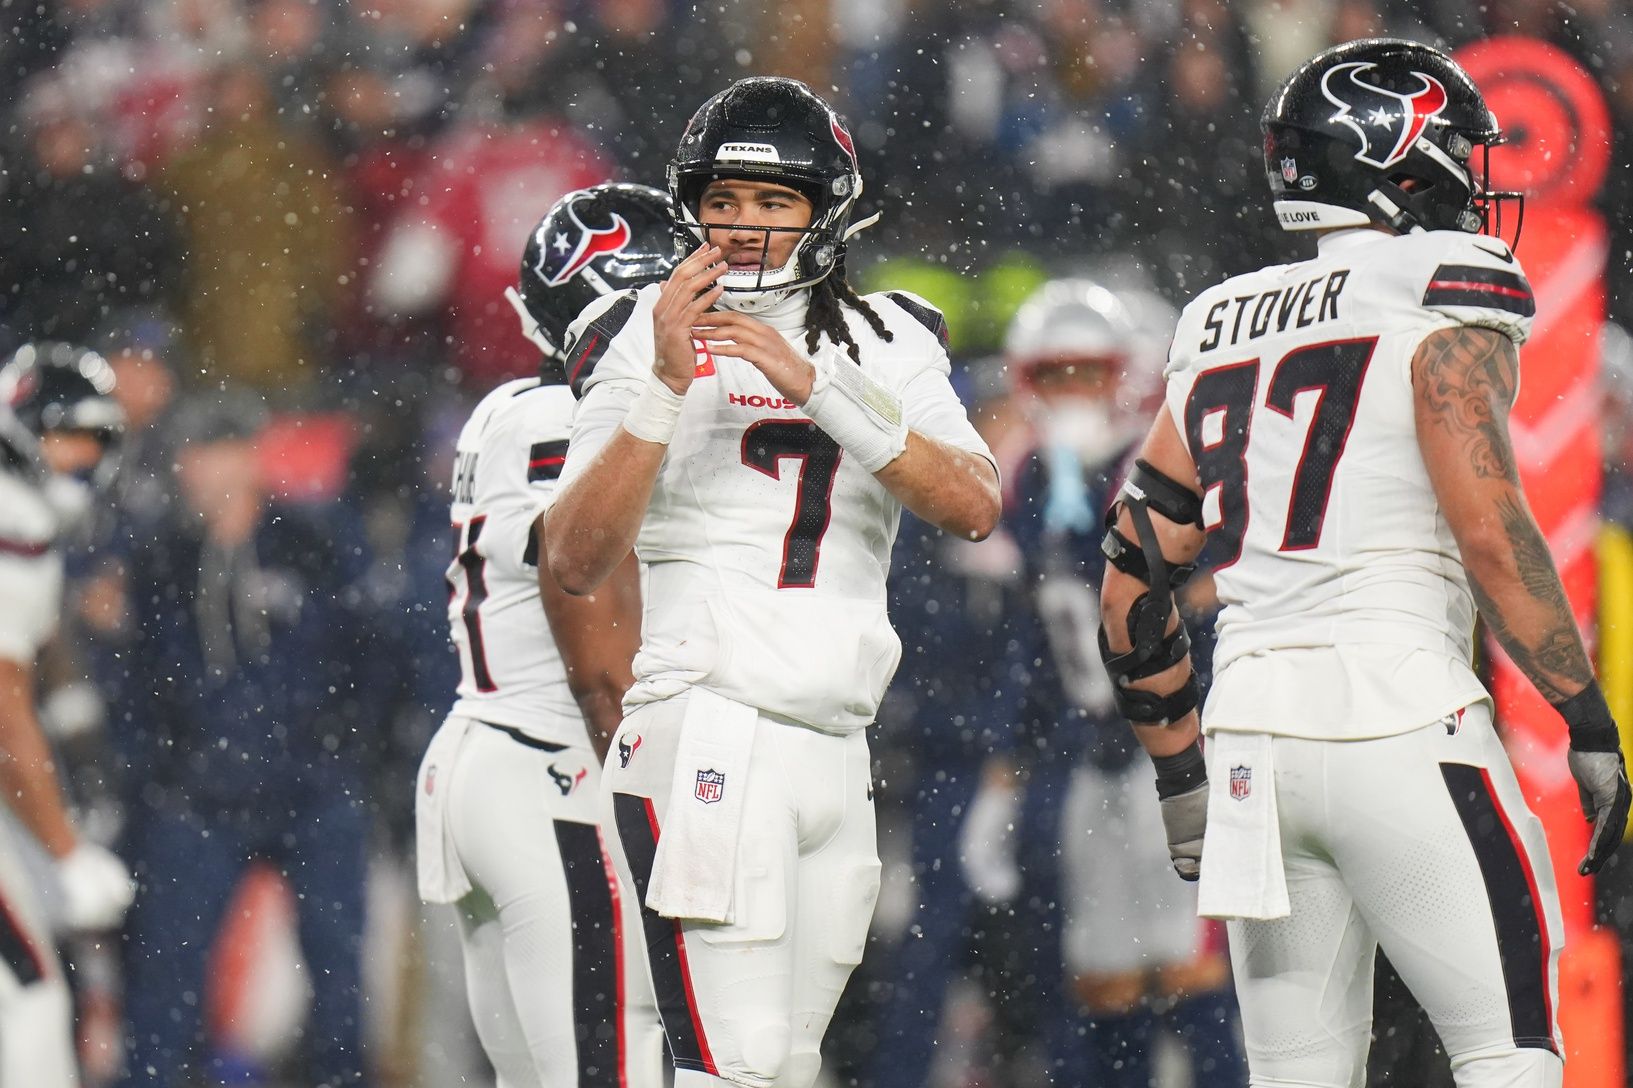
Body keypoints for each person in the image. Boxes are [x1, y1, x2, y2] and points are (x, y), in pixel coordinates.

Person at [1096, 38, 1631, 1088]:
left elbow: (1128, 579)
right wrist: (1586, 714)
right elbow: (1488, 525)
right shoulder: (1441, 278)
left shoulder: (1216, 321)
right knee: (1509, 1054)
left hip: (1251, 737)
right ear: (1400, 156)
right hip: (1400, 714)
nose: (1475, 184)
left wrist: (1179, 773)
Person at [543, 77, 1001, 1088]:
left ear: (824, 209)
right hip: (710, 720)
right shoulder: (642, 330)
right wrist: (664, 385)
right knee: (731, 1068)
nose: (742, 225)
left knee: (787, 1069)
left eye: (772, 201)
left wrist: (819, 385)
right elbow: (572, 557)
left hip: (835, 742)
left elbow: (972, 501)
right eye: (724, 198)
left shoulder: (886, 335)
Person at [414, 182, 675, 1087]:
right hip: (559, 769)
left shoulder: (504, 409)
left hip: (486, 755)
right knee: (616, 1062)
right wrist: (657, 812)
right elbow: (595, 648)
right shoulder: (573, 417)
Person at [985, 278, 1244, 1088]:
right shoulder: (1033, 482)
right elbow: (1035, 636)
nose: (1070, 393)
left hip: (1172, 745)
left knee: (1191, 966)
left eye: (1085, 373)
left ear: (1122, 374)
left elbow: (1211, 598)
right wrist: (1009, 763)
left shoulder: (1162, 467)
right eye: (1054, 375)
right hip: (1087, 747)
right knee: (1101, 973)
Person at [116, 391, 372, 1087]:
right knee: (164, 990)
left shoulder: (312, 541)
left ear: (249, 455)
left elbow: (366, 655)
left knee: (339, 989)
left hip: (311, 791)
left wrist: (344, 755)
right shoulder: (161, 555)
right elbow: (137, 680)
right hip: (195, 797)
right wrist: (154, 777)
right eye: (190, 454)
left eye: (214, 450)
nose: (198, 470)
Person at [0, 342, 134, 1088]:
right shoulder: (12, 516)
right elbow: (1, 708)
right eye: (69, 439)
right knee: (31, 998)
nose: (83, 460)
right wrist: (63, 849)